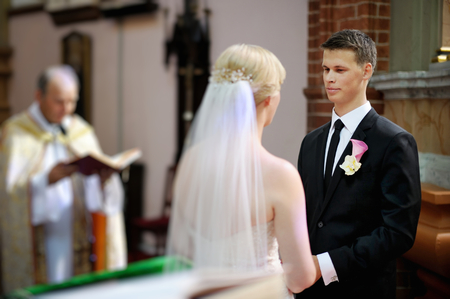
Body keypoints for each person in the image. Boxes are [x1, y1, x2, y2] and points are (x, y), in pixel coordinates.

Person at [166, 44, 316, 298]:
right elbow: (300, 278)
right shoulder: (281, 175)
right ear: (270, 99)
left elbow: (185, 250)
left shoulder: (190, 161)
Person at [296, 29, 421, 298]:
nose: (329, 78)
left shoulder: (395, 142)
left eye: (340, 69)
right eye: (326, 69)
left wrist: (327, 265)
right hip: (308, 289)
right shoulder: (310, 143)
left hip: (362, 289)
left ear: (366, 71)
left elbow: (398, 233)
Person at [0, 65, 127, 293]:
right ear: (39, 96)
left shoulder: (80, 131)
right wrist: (43, 181)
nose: (66, 109)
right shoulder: (16, 133)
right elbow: (8, 196)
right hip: (44, 242)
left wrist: (103, 180)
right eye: (59, 101)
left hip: (78, 237)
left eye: (72, 101)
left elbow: (101, 200)